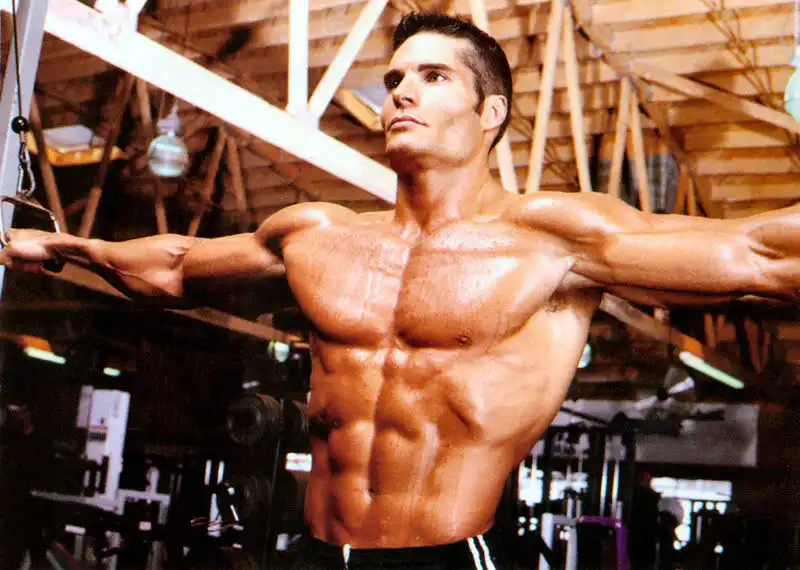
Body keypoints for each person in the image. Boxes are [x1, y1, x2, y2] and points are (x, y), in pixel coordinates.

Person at [1, 11, 799, 569]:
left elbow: (755, 254)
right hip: (313, 551)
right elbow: (177, 265)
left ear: (490, 112)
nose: (400, 94)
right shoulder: (318, 233)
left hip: (446, 556)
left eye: (432, 76)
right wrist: (62, 246)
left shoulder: (551, 237)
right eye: (394, 78)